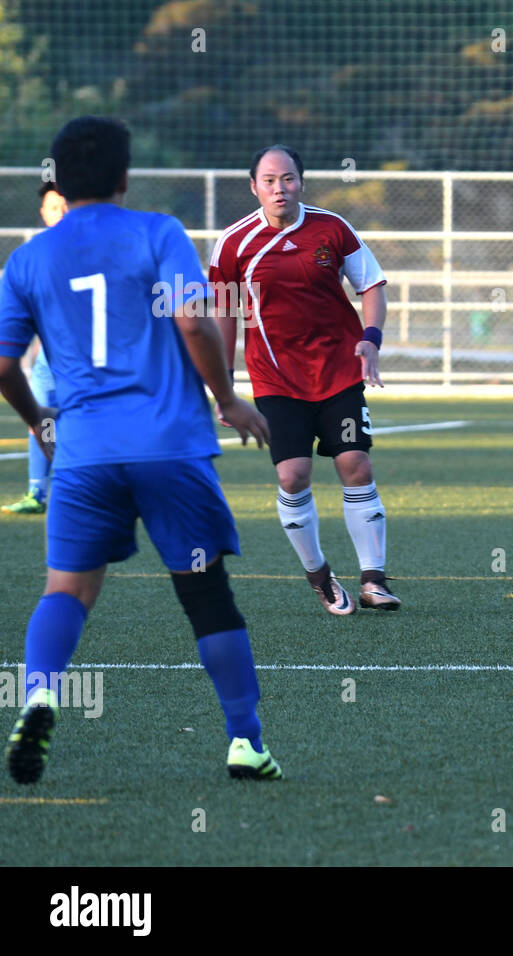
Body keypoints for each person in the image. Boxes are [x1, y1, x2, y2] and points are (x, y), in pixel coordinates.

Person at [0, 116, 282, 783]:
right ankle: (245, 741)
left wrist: (40, 420)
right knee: (206, 593)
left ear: (58, 184)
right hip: (169, 448)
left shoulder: (29, 259)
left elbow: (4, 364)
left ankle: (40, 691)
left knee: (66, 589)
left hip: (84, 453)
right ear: (125, 176)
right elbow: (191, 316)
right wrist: (228, 399)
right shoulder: (158, 232)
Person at [210, 145, 399, 614]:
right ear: (254, 186)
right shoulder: (233, 244)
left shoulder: (333, 228)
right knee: (292, 477)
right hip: (276, 379)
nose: (280, 188)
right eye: (270, 180)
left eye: (289, 178)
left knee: (356, 464)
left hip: (338, 372)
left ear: (302, 182)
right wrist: (224, 385)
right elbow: (223, 313)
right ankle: (319, 576)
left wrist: (370, 339)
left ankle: (373, 580)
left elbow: (372, 285)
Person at [2, 183, 67, 515]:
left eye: (65, 206)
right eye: (53, 208)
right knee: (39, 416)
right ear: (43, 214)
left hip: (80, 362)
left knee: (78, 418)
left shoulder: (87, 253)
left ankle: (73, 487)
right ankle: (36, 492)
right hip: (46, 359)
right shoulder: (33, 258)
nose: (60, 213)